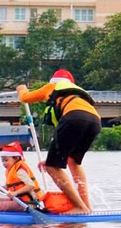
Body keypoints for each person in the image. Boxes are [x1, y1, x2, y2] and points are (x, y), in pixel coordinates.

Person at [17, 69, 101, 215]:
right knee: (73, 162)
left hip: (74, 117)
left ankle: (80, 207)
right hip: (95, 121)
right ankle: (87, 207)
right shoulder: (76, 93)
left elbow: (25, 97)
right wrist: (51, 158)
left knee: (52, 167)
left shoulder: (52, 87)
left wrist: (21, 88)